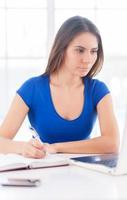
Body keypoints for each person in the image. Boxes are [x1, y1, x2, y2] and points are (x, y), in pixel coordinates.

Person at [0, 16, 119, 158]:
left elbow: (112, 143)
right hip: (45, 171)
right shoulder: (32, 89)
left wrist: (56, 147)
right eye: (80, 50)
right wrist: (23, 147)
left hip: (85, 172)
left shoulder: (98, 90)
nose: (88, 59)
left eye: (93, 51)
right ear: (62, 49)